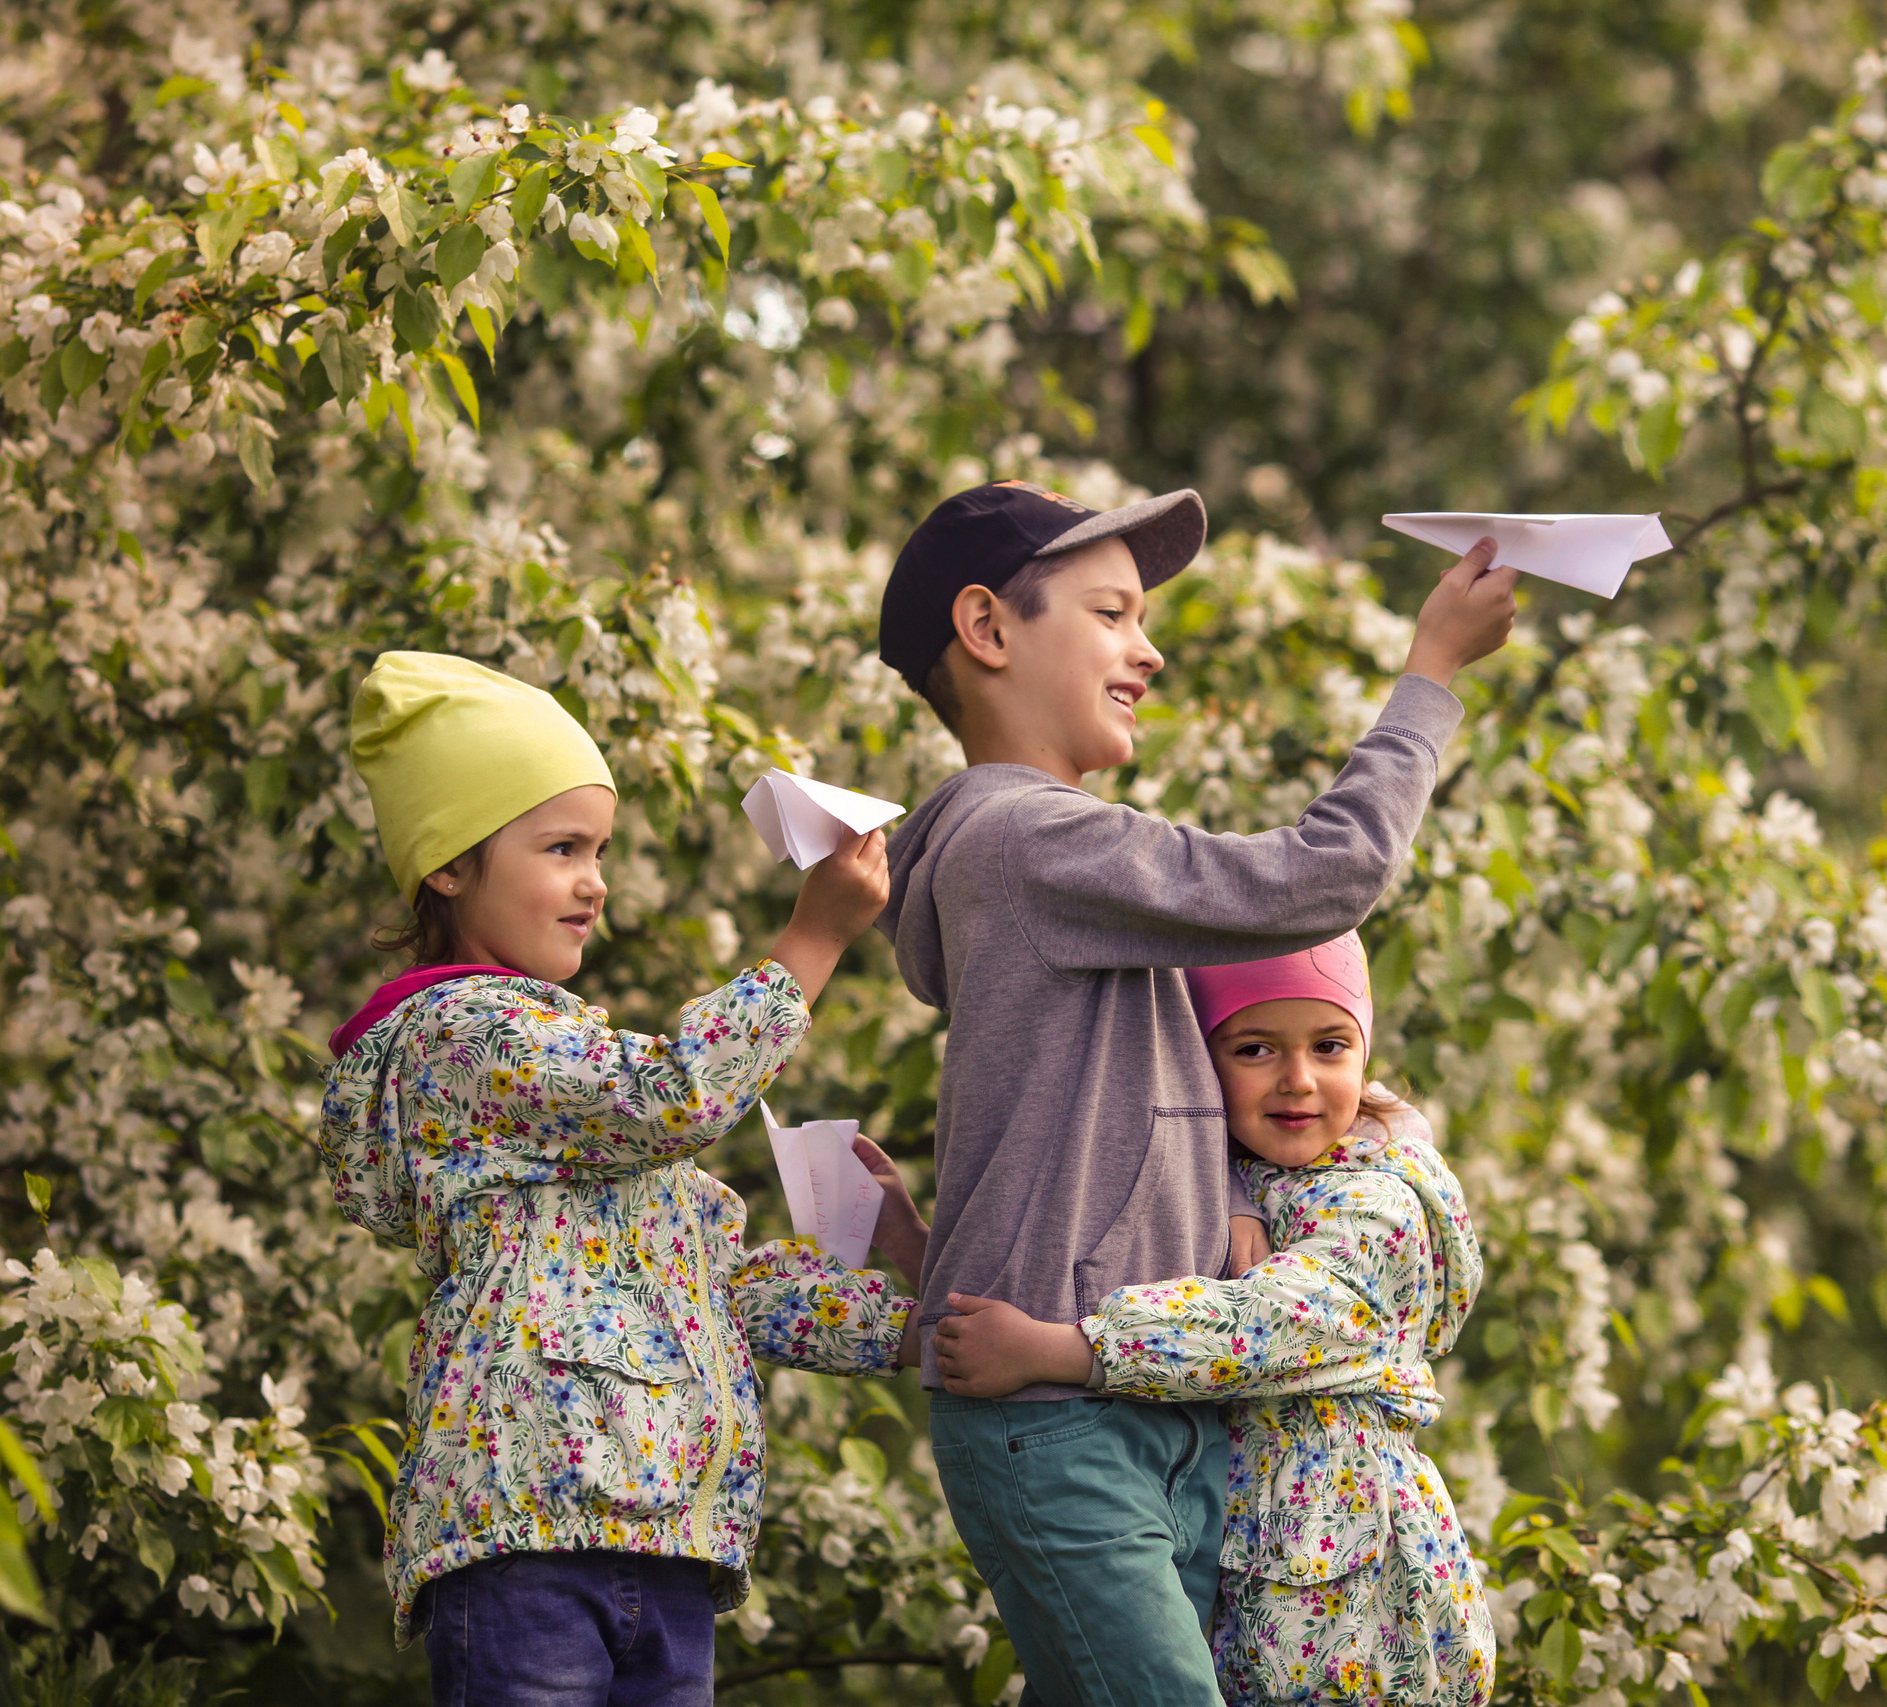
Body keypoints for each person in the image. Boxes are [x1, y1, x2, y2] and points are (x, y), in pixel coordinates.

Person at [875, 478, 1516, 1705]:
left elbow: (1070, 1151)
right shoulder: (1029, 841)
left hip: (1155, 1416)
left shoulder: (1043, 875)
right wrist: (1432, 671)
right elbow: (1326, 875)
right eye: (1112, 613)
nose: (1149, 649)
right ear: (988, 629)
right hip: (1064, 1424)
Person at [315, 651, 928, 1706]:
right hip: (527, 1533)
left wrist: (916, 1320)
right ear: (449, 868)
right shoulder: (461, 1039)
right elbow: (671, 1095)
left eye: (599, 850)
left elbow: (728, 1295)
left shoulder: (580, 1102)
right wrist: (811, 940)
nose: (594, 880)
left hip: (671, 1541)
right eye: (561, 848)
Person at [932, 932, 1495, 1705]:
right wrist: (916, 1250)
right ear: (1200, 1063)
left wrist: (1065, 1350)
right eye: (1255, 1048)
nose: (1299, 1079)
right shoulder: (1227, 1182)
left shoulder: (1382, 1208)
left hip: (1356, 1625)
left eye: (1331, 1045)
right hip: (1253, 1591)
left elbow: (1263, 1323)